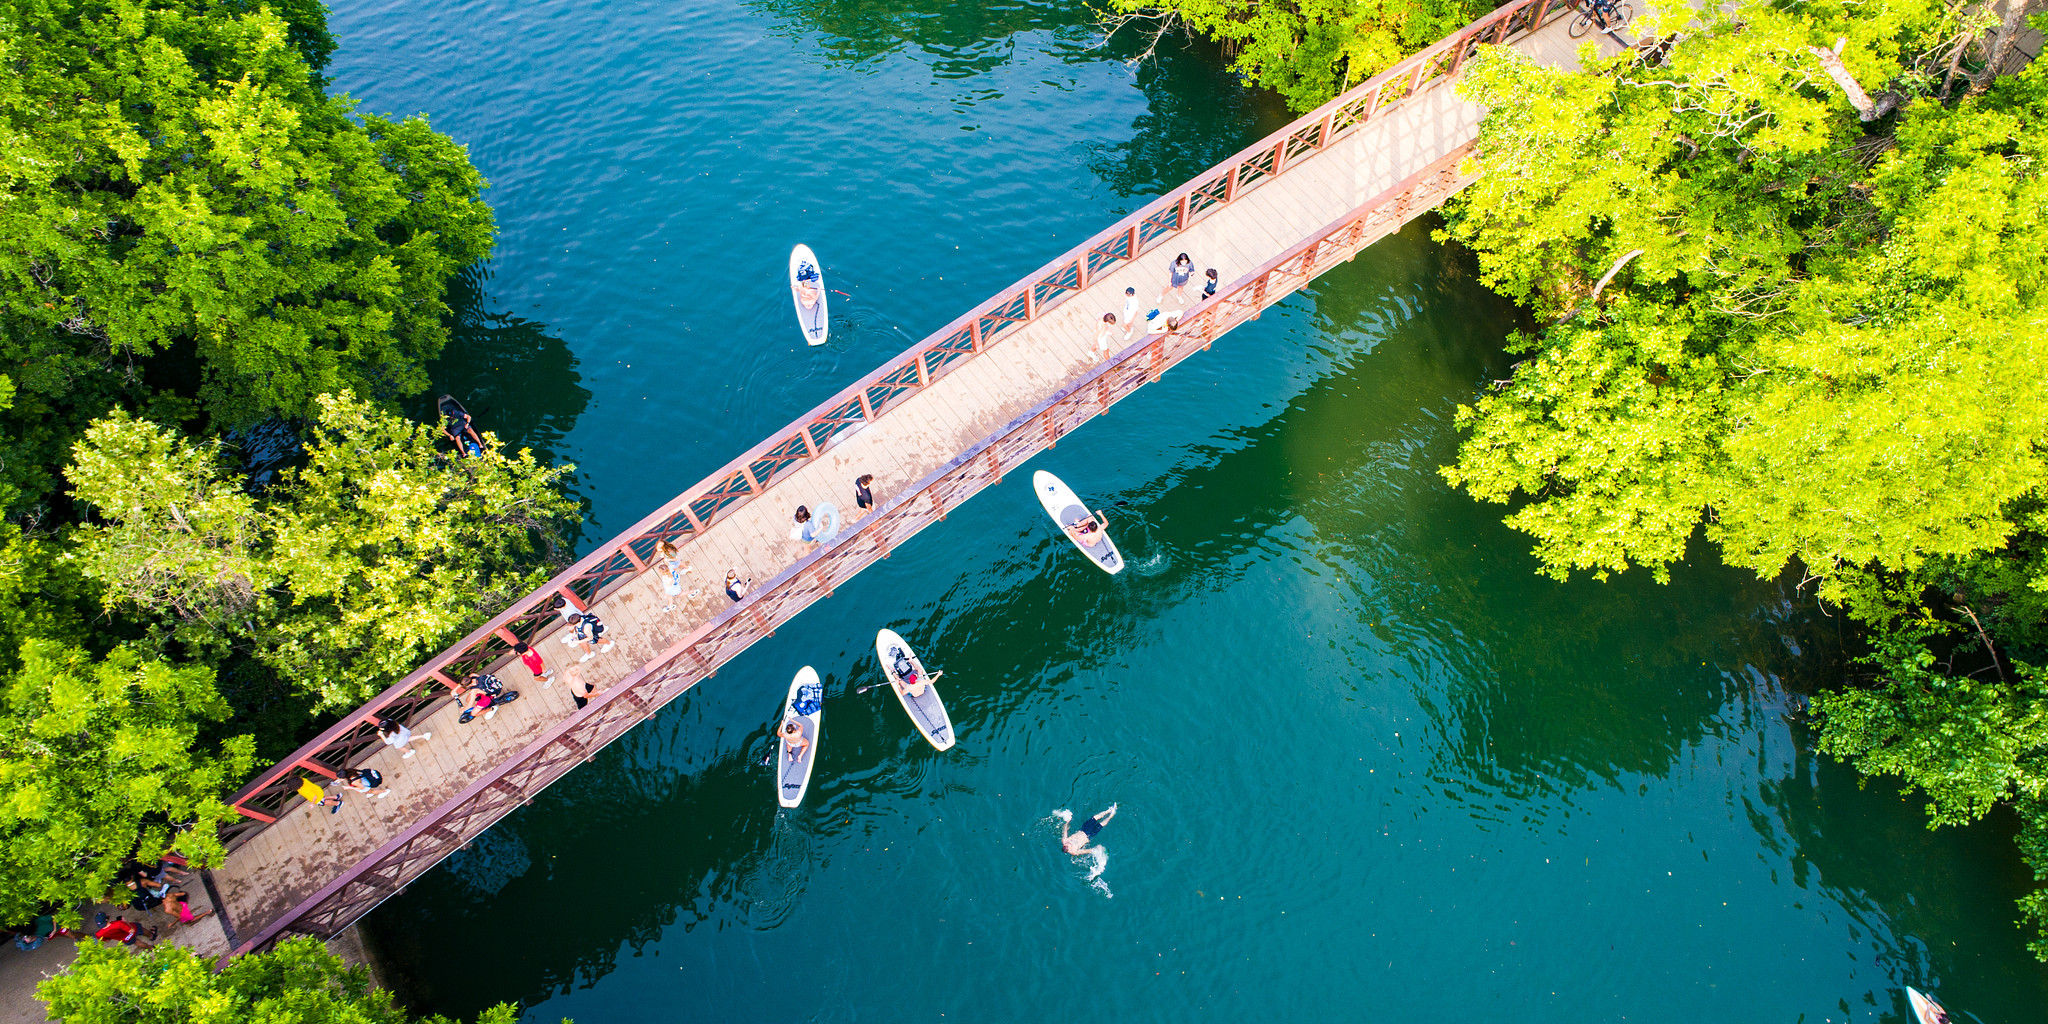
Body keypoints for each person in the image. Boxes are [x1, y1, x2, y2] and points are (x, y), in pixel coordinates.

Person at [656, 540, 697, 612]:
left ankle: (693, 592)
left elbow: (669, 587)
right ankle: (670, 605)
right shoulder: (670, 570)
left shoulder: (669, 577)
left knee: (678, 594)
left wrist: (666, 593)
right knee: (679, 563)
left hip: (674, 586)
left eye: (659, 547)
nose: (658, 548)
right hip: (675, 578)